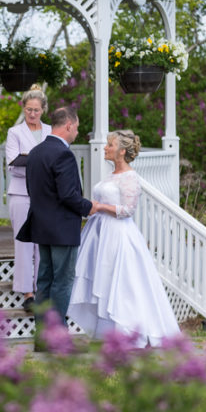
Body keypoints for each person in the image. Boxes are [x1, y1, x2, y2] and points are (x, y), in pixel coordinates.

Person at [67, 129, 180, 347]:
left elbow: (128, 209)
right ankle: (106, 333)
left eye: (110, 145)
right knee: (102, 279)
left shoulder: (130, 177)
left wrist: (99, 206)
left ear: (122, 151)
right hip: (100, 233)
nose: (105, 148)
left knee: (120, 282)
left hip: (117, 234)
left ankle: (128, 330)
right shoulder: (111, 175)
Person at [17, 106, 95, 326]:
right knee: (62, 282)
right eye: (77, 128)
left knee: (44, 282)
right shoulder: (63, 154)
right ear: (68, 125)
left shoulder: (36, 152)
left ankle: (43, 337)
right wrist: (90, 207)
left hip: (41, 226)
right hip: (62, 229)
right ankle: (57, 337)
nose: (77, 133)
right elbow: (69, 196)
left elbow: (33, 190)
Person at [5, 85, 51, 312]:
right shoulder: (14, 133)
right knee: (23, 243)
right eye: (28, 109)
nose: (32, 114)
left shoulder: (50, 131)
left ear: (43, 110)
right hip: (21, 193)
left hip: (44, 195)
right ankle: (27, 293)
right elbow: (13, 166)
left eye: (36, 110)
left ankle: (42, 289)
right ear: (23, 108)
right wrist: (37, 165)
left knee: (42, 243)